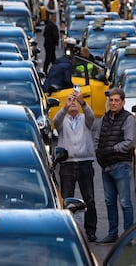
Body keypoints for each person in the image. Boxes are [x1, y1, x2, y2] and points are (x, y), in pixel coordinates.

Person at [53, 91, 98, 242]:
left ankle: (91, 231)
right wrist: (64, 108)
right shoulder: (62, 121)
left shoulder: (86, 119)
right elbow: (55, 120)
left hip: (85, 162)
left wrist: (83, 102)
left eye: (75, 101)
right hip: (67, 164)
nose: (73, 103)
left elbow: (92, 116)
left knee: (89, 198)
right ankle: (67, 229)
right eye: (70, 101)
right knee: (67, 198)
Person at [95, 88, 136, 244]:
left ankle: (129, 236)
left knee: (125, 202)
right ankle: (112, 234)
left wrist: (112, 149)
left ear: (123, 102)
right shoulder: (105, 118)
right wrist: (99, 153)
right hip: (106, 167)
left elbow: (130, 141)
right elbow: (97, 139)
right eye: (111, 100)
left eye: (116, 100)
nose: (113, 103)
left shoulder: (128, 119)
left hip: (121, 166)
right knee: (109, 202)